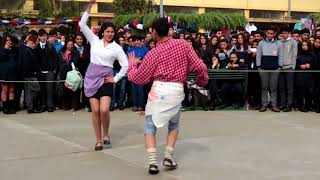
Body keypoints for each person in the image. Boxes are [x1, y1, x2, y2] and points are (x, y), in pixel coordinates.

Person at [127, 18, 208, 175]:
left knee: (150, 126)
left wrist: (132, 65)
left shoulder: (153, 53)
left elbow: (138, 78)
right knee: (174, 125)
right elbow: (200, 66)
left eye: (151, 32)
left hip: (158, 90)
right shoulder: (184, 45)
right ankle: (168, 156)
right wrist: (200, 81)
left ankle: (152, 162)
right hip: (176, 91)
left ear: (155, 32)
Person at [79, 0, 128, 151]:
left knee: (104, 110)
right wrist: (89, 5)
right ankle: (98, 140)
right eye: (107, 31)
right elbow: (82, 24)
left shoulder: (117, 48)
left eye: (112, 32)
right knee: (95, 111)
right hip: (91, 78)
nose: (110, 34)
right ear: (103, 32)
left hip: (106, 79)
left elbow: (125, 65)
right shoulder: (94, 40)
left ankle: (106, 134)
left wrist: (115, 78)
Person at [256, 26, 283, 112]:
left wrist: (279, 67)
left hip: (275, 69)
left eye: (272, 33)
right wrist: (259, 67)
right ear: (266, 33)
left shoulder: (279, 43)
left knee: (273, 88)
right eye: (268, 33)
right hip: (263, 69)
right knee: (264, 87)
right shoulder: (261, 43)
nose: (270, 35)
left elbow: (281, 56)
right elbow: (258, 55)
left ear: (274, 34)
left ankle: (274, 105)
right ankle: (264, 105)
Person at [36, 29, 58, 112]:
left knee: (49, 89)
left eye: (45, 36)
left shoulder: (51, 46)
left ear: (47, 36)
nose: (43, 37)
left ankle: (50, 105)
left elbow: (55, 59)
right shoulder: (36, 47)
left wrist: (54, 69)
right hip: (40, 72)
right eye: (41, 36)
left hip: (49, 71)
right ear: (39, 37)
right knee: (42, 89)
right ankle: (43, 105)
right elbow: (35, 60)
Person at [19, 35, 41, 114]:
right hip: (30, 75)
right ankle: (31, 107)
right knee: (35, 90)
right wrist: (34, 72)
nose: (35, 45)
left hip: (27, 75)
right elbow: (26, 64)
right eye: (35, 43)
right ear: (31, 42)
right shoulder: (27, 50)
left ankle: (30, 107)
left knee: (29, 91)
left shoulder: (26, 50)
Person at [278, 27, 297, 112]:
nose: (284, 35)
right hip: (280, 68)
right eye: (283, 33)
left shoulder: (293, 42)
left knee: (289, 88)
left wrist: (293, 67)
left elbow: (294, 55)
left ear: (289, 33)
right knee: (282, 88)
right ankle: (282, 104)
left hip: (289, 68)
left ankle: (289, 105)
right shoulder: (279, 42)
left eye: (286, 33)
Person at [0, 33, 19, 114]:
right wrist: (5, 49)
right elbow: (1, 58)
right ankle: (5, 107)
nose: (9, 42)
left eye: (10, 40)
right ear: (4, 41)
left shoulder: (15, 49)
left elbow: (17, 59)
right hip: (4, 72)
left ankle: (11, 107)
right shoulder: (1, 49)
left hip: (13, 72)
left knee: (12, 89)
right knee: (4, 89)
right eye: (7, 40)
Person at [295, 41, 314, 112]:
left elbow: (316, 65)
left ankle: (308, 105)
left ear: (309, 46)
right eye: (303, 45)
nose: (304, 46)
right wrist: (300, 66)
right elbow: (295, 65)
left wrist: (310, 66)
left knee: (309, 92)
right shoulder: (298, 54)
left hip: (310, 76)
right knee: (300, 91)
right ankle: (300, 106)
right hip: (300, 76)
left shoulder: (312, 55)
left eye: (306, 45)